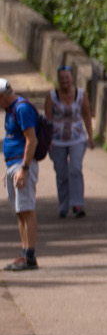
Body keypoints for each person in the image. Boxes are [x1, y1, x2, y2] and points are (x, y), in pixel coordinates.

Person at [0, 79, 40, 271]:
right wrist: (8, 170)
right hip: (12, 165)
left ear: (2, 96)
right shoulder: (10, 110)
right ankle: (24, 253)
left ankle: (29, 256)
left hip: (21, 165)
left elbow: (31, 140)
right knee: (20, 210)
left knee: (26, 209)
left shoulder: (22, 109)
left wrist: (23, 168)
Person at [45, 66, 93, 220]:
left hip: (77, 138)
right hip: (57, 140)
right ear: (58, 80)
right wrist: (47, 140)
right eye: (61, 78)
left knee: (75, 169)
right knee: (62, 173)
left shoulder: (81, 94)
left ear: (72, 78)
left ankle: (78, 204)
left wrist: (90, 136)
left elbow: (87, 115)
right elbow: (48, 120)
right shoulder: (51, 96)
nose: (64, 81)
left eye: (67, 78)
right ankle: (63, 206)